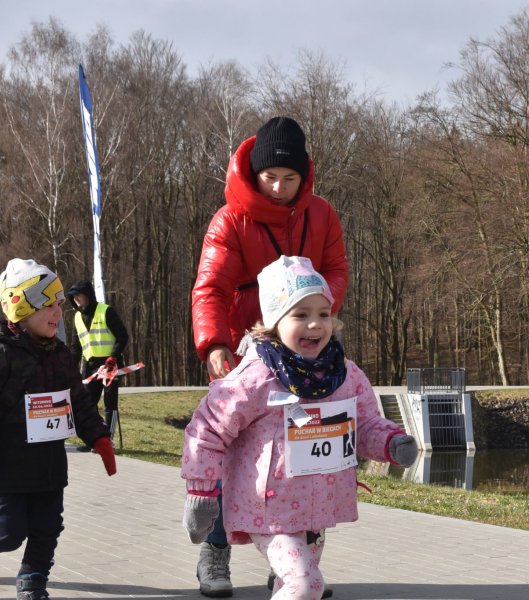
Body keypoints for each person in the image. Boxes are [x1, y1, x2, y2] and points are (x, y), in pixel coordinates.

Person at [181, 256, 418, 600]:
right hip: (269, 508)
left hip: (319, 508)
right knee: (306, 584)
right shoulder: (256, 375)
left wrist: (391, 442)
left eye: (323, 314)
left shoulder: (345, 374)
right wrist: (201, 492)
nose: (315, 325)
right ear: (274, 321)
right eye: (300, 315)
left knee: (292, 584)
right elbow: (208, 429)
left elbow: (363, 423)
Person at [190, 116, 349, 596]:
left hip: (307, 349)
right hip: (245, 351)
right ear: (254, 174)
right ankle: (214, 554)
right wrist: (215, 345)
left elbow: (336, 269)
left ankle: (297, 560)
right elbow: (211, 287)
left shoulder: (321, 214)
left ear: (305, 176)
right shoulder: (230, 219)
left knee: (307, 456)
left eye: (290, 178)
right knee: (234, 455)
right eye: (269, 177)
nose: (279, 187)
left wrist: (313, 316)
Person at [0, 259, 117, 600]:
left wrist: (99, 436)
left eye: (59, 304)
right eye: (48, 304)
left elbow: (79, 401)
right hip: (6, 465)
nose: (58, 312)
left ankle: (33, 578)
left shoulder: (60, 353)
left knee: (47, 527)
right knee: (7, 532)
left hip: (48, 464)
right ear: (21, 308)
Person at [67, 280, 129, 448]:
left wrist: (113, 356)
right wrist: (70, 368)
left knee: (110, 404)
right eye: (73, 297)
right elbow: (75, 346)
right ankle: (94, 439)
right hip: (90, 365)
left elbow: (123, 335)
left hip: (110, 364)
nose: (76, 299)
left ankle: (108, 440)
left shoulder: (106, 311)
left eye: (78, 295)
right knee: (88, 404)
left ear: (87, 295)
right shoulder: (77, 317)